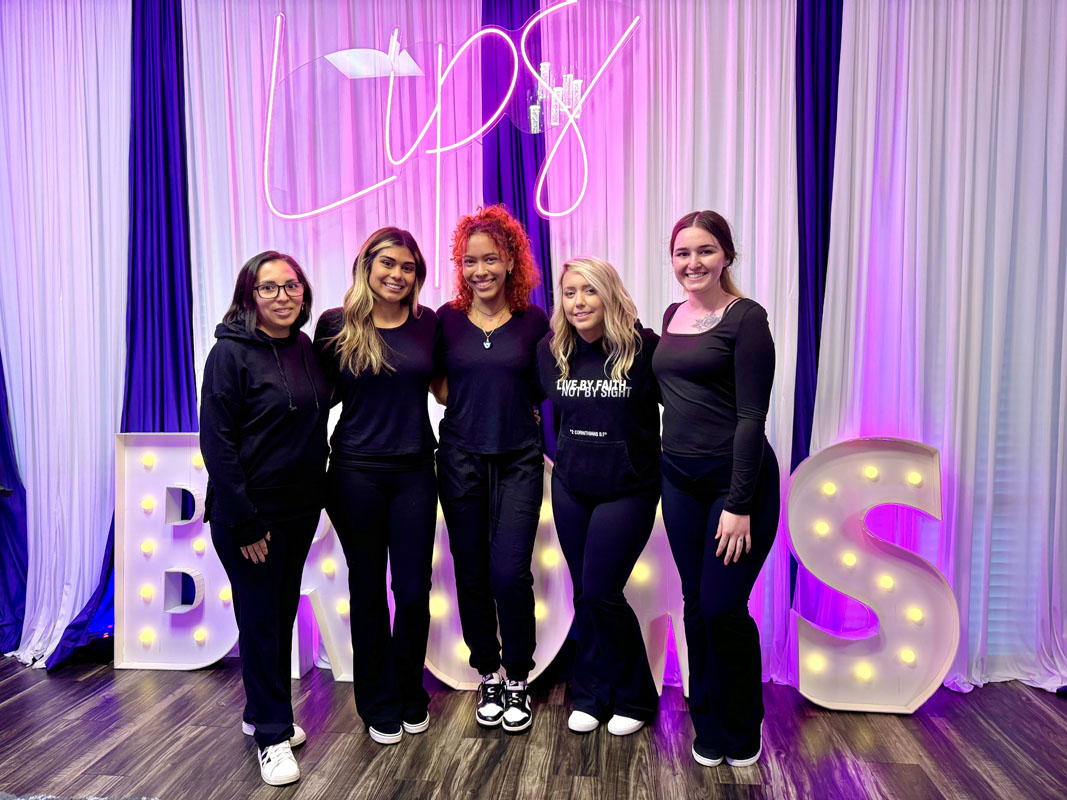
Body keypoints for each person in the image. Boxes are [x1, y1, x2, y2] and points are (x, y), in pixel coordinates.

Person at [651, 211, 780, 768]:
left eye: (705, 251)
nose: (692, 263)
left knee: (726, 606)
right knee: (696, 604)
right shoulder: (672, 315)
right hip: (678, 480)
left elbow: (752, 416)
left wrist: (739, 503)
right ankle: (706, 720)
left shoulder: (746, 318)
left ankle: (741, 723)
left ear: (726, 255)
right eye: (682, 253)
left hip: (738, 483)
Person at [200, 251, 329, 787]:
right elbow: (218, 442)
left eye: (292, 285)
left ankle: (261, 713)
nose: (283, 295)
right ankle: (273, 737)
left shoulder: (303, 348)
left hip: (299, 510)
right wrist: (246, 520)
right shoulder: (229, 355)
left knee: (277, 616)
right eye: (270, 288)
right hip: (249, 516)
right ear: (249, 296)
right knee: (259, 620)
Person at [313, 227, 439, 746]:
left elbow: (448, 386)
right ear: (366, 264)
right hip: (354, 473)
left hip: (414, 470)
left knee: (412, 592)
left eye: (408, 267)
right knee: (366, 591)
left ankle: (412, 690)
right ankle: (377, 702)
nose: (397, 274)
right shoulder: (336, 325)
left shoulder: (427, 324)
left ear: (418, 275)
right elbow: (312, 398)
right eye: (388, 263)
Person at [435, 205, 549, 733]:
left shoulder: (534, 319)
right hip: (459, 457)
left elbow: (545, 385)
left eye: (490, 260)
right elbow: (437, 381)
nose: (479, 270)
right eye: (469, 261)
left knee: (511, 571)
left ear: (510, 262)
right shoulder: (447, 319)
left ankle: (519, 676)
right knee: (471, 569)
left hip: (520, 458)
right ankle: (489, 672)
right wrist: (471, 405)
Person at [536, 256, 661, 736]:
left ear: (610, 294)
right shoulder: (550, 352)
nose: (579, 302)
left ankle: (634, 696)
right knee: (586, 592)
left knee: (604, 590)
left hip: (628, 489)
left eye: (589, 291)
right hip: (571, 486)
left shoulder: (643, 348)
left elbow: (688, 403)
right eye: (569, 292)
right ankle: (589, 693)